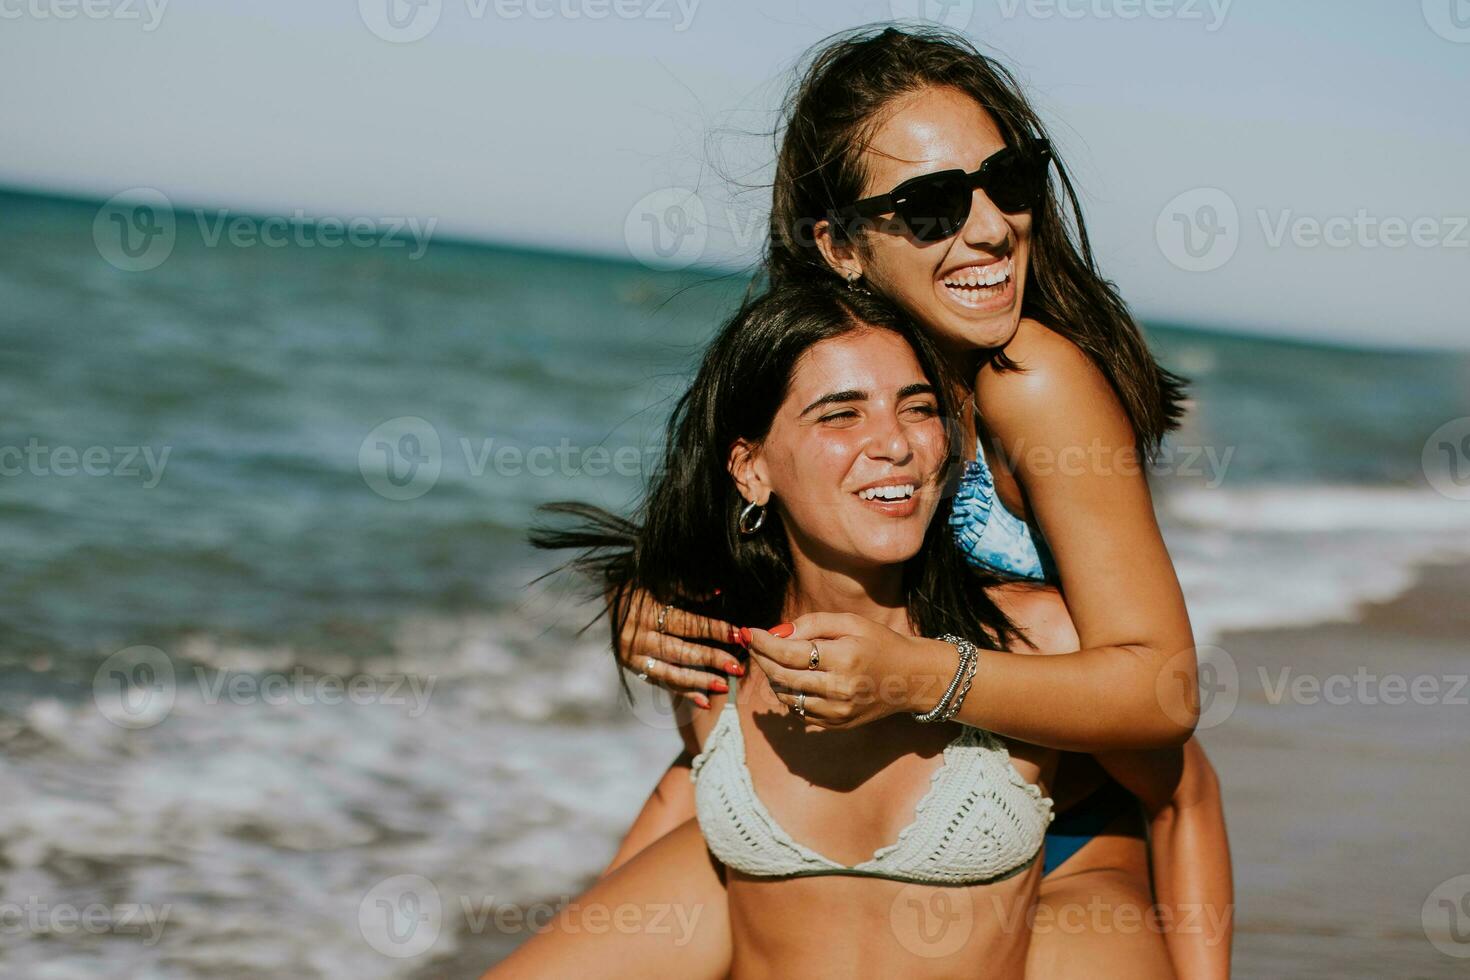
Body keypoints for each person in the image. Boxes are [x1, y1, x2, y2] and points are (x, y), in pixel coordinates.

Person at [605, 25, 1232, 977]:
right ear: (840, 245)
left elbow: (1161, 690)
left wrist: (913, 676)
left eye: (1008, 183)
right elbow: (724, 540)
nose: (988, 228)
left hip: (1056, 820)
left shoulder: (1032, 383)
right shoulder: (823, 367)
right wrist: (644, 606)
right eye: (932, 205)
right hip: (850, 795)